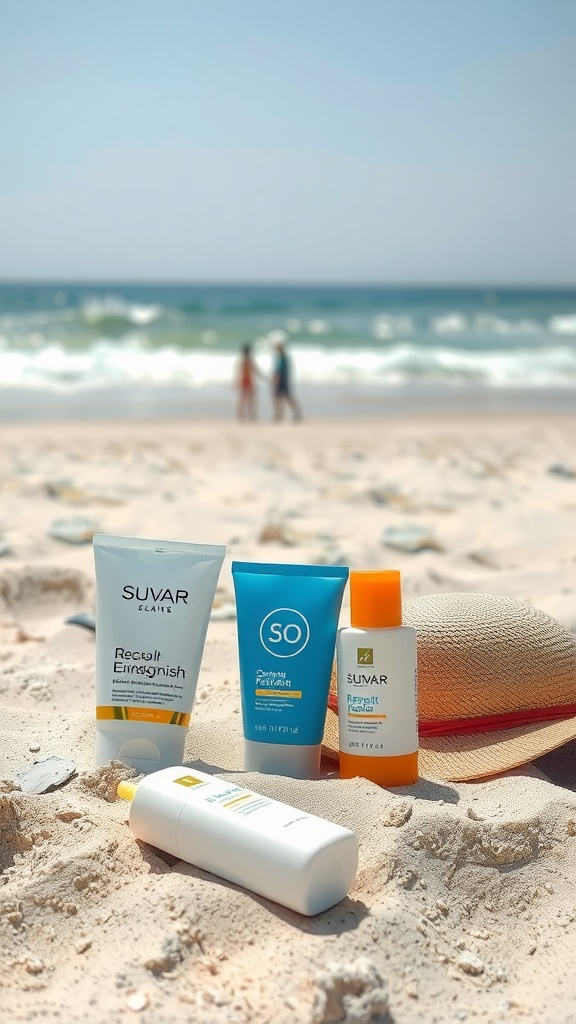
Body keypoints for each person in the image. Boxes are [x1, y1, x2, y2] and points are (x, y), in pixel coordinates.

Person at [272, 341, 302, 422]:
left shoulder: (281, 358)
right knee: (284, 397)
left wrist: (276, 380)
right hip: (284, 379)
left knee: (280, 397)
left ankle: (279, 415)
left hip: (281, 379)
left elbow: (279, 370)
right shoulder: (284, 357)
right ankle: (280, 414)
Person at [235, 342, 261, 421]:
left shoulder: (241, 360)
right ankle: (251, 416)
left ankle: (241, 416)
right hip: (249, 379)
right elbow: (256, 371)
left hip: (243, 379)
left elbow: (238, 372)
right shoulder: (250, 360)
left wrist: (236, 381)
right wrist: (263, 377)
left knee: (242, 399)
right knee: (250, 399)